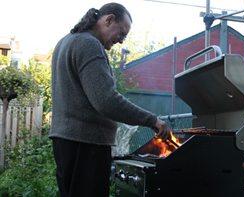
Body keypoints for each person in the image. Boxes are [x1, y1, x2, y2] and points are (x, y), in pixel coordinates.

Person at [49, 3, 171, 197]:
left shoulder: (67, 41)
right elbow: (106, 100)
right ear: (108, 20)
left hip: (66, 142)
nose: (121, 41)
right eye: (121, 33)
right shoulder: (89, 45)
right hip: (86, 145)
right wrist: (152, 120)